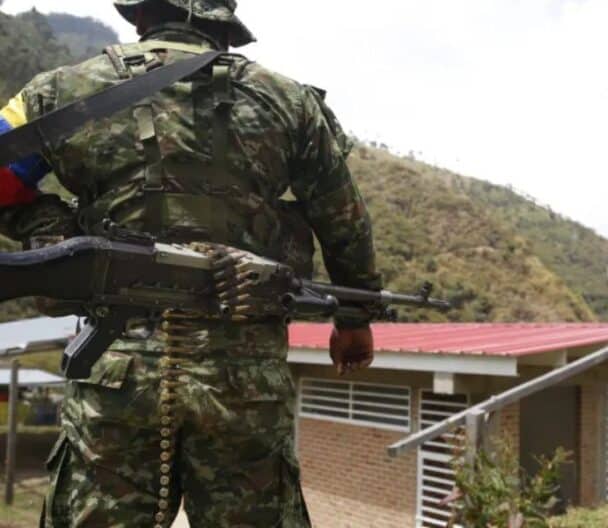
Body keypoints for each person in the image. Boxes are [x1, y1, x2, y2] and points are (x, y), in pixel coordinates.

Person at [0, 1, 381, 526]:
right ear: (224, 24)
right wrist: (354, 320)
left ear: (141, 18)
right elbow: (344, 221)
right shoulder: (289, 102)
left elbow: (2, 182)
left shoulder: (61, 91)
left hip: (113, 366)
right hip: (243, 379)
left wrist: (59, 231)